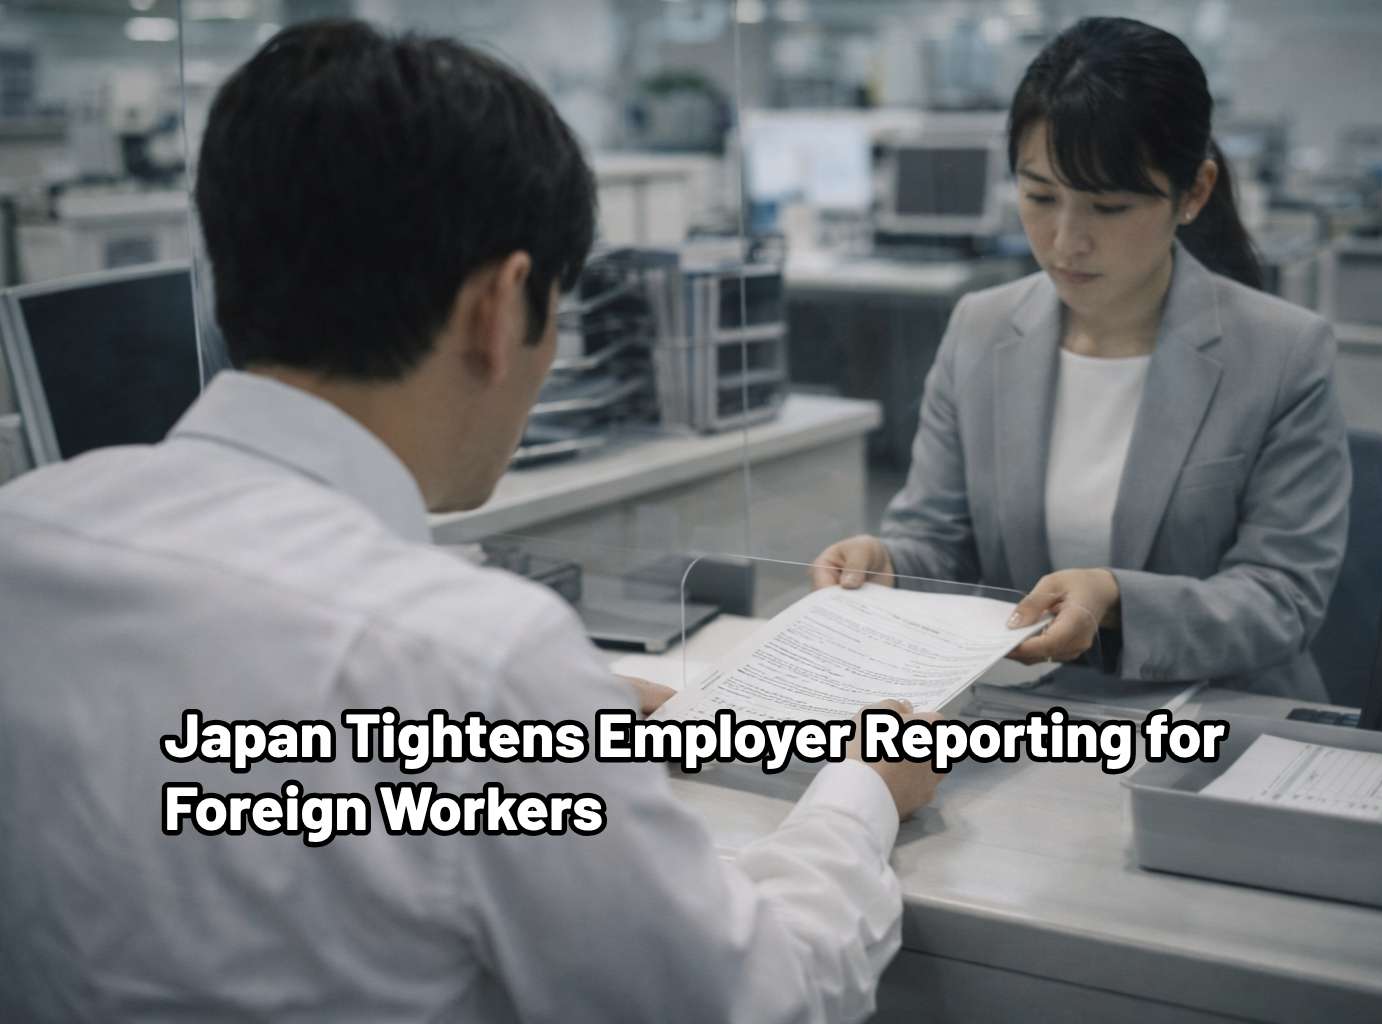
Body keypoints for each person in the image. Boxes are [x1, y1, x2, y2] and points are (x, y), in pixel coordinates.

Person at [0, 20, 941, 1022]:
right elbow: (751, 1002)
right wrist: (862, 789)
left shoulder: (29, 534)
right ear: (499, 308)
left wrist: (562, 716)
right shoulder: (474, 662)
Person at [813, 17, 1349, 701]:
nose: (1066, 240)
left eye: (1109, 206)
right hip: (1027, 711)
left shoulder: (1282, 353)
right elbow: (939, 541)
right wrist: (887, 563)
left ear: (1193, 192)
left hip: (1213, 714)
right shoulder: (981, 329)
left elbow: (1283, 597)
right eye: (1040, 196)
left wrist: (1118, 600)